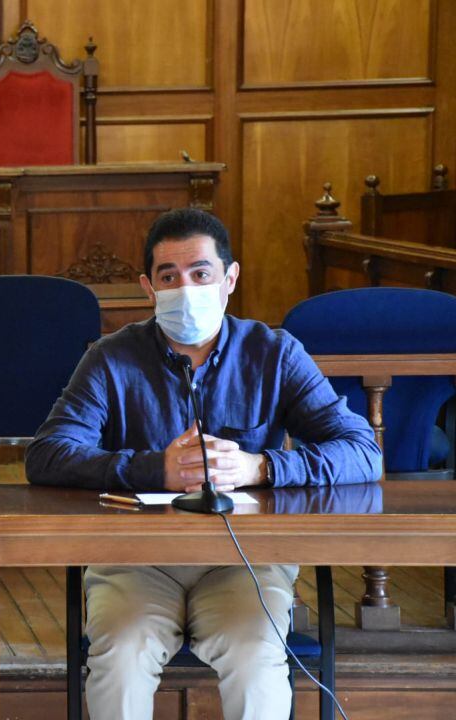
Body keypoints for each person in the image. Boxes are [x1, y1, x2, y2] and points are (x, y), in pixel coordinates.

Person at [26, 208, 382, 720]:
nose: (185, 287)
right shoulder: (110, 357)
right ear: (148, 287)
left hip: (244, 560)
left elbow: (361, 450)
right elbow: (47, 455)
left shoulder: (274, 353)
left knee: (255, 657)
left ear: (229, 278)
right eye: (169, 277)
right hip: (136, 557)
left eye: (201, 273)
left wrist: (261, 468)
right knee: (120, 656)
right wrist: (155, 470)